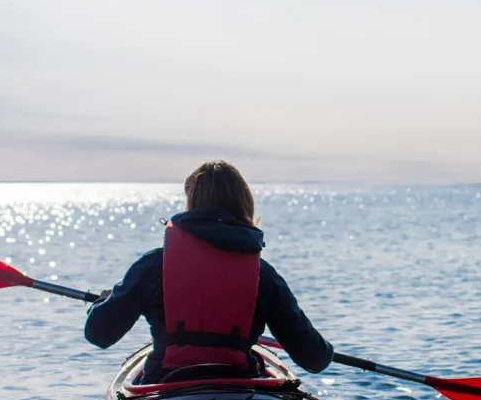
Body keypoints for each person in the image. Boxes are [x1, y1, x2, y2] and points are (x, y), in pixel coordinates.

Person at [85, 160, 333, 383]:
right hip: (239, 392)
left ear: (191, 205)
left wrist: (104, 302)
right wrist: (328, 351)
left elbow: (99, 334)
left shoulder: (152, 266)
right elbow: (315, 359)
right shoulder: (263, 274)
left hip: (165, 386)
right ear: (245, 205)